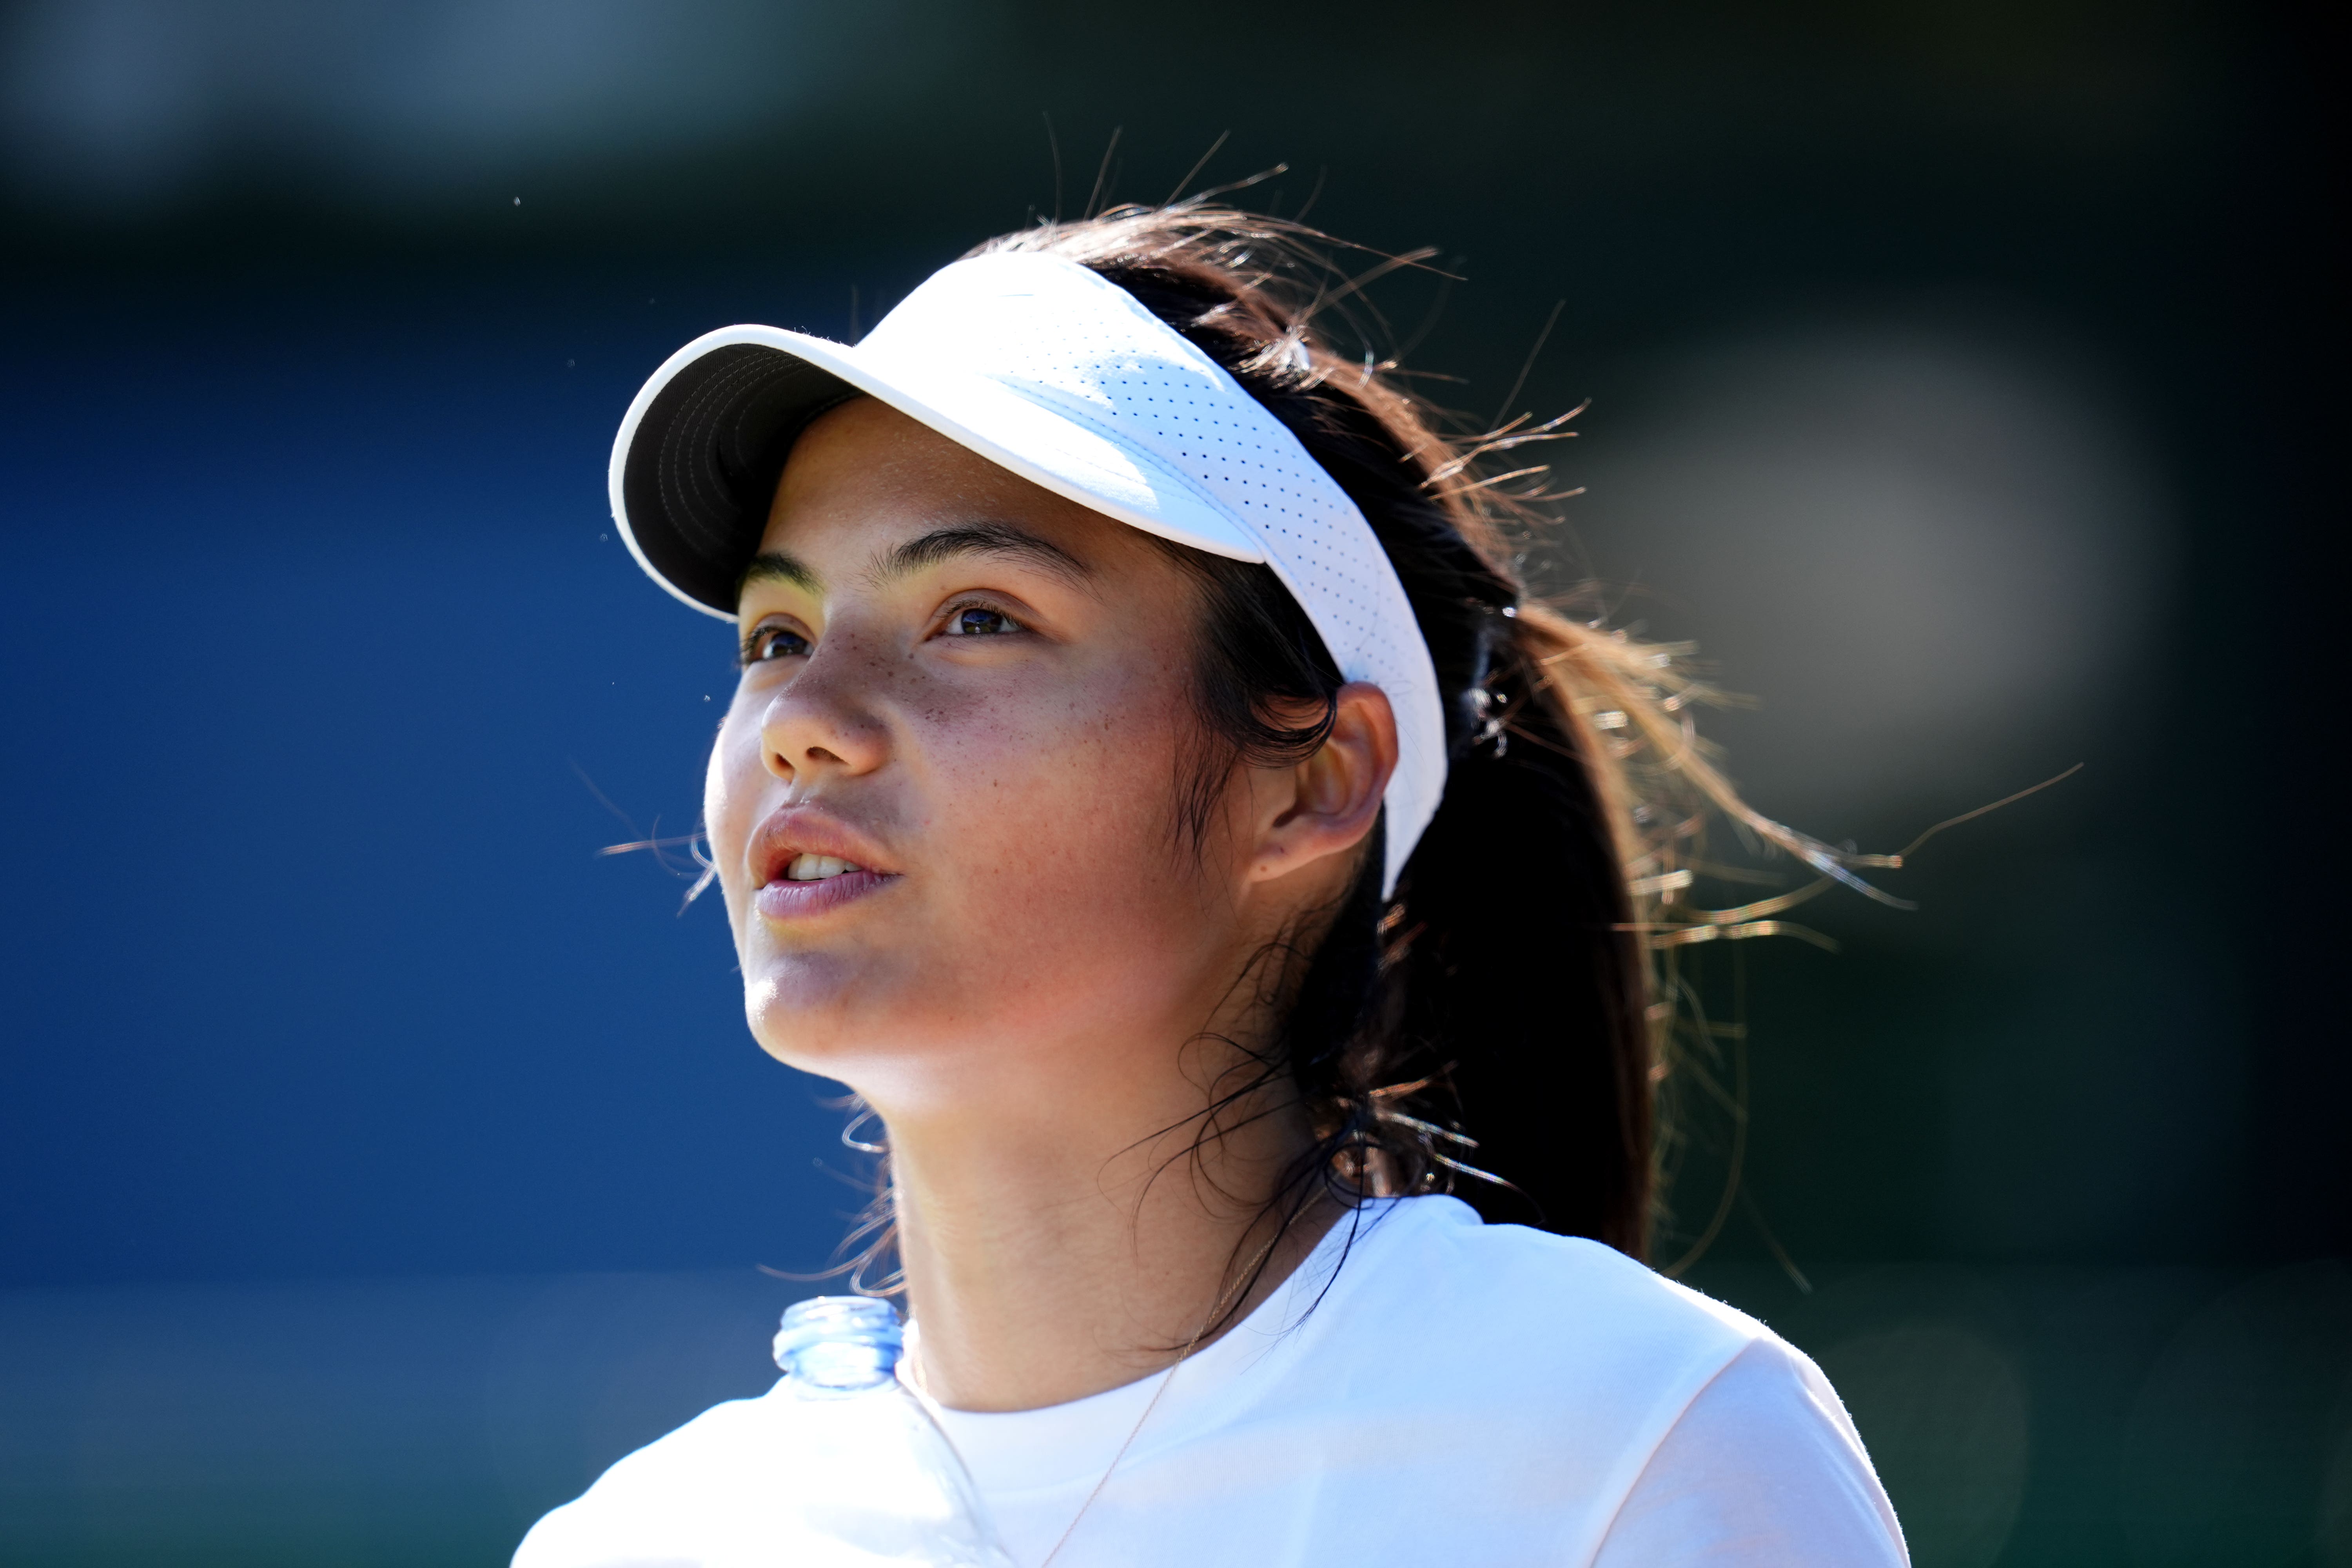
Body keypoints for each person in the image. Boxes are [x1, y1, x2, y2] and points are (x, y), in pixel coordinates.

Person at [514, 203, 1909, 1566]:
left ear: (1313, 780)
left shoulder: (1633, 1446)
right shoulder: (644, 1541)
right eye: (776, 633)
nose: (801, 718)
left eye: (978, 617)